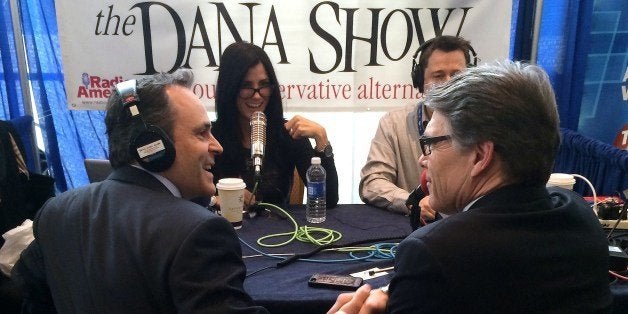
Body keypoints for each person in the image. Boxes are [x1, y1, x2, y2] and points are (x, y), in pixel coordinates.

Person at [330, 60, 612, 313]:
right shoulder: (579, 214)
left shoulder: (431, 253)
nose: (422, 158)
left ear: (480, 156)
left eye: (430, 144)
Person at [11, 69, 268, 313]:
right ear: (153, 146)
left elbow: (31, 299)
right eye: (202, 133)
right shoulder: (200, 232)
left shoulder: (55, 212)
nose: (217, 146)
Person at [212, 42, 339, 208]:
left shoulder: (288, 133)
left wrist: (321, 139)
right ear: (230, 89)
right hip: (226, 230)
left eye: (263, 85)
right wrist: (217, 198)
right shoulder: (211, 138)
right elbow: (190, 197)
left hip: (279, 231)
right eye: (246, 86)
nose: (257, 96)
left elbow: (328, 200)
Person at [359, 35, 475, 216]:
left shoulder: (484, 127)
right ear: (420, 81)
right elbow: (373, 182)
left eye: (457, 76)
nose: (448, 84)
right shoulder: (393, 123)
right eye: (438, 76)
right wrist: (413, 202)